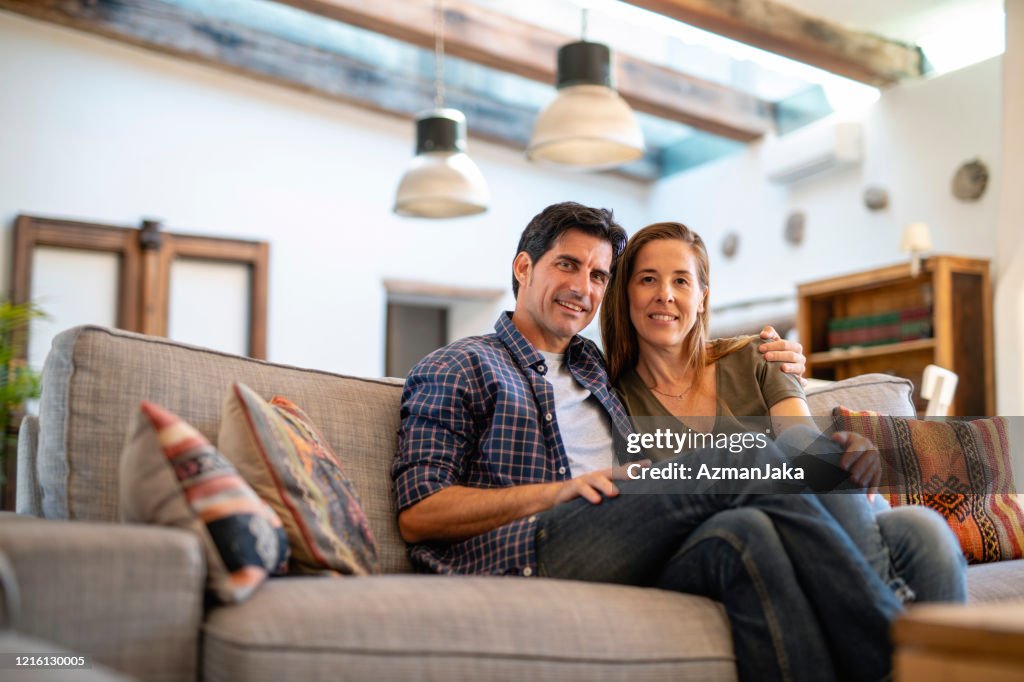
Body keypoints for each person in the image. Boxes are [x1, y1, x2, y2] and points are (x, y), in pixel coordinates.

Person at [392, 202, 904, 682]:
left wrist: (776, 355)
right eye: (566, 265)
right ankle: (901, 653)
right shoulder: (460, 364)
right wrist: (562, 491)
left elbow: (682, 353)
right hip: (528, 547)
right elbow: (418, 514)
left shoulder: (595, 369)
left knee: (748, 531)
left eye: (597, 275)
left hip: (621, 530)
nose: (582, 287)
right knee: (747, 453)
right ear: (523, 268)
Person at [599, 221, 967, 605]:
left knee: (926, 530)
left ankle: (921, 646)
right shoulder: (614, 398)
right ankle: (884, 605)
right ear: (626, 294)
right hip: (742, 540)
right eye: (647, 280)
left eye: (681, 281)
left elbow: (801, 440)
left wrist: (842, 455)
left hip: (816, 519)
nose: (665, 295)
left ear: (703, 297)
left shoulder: (760, 355)